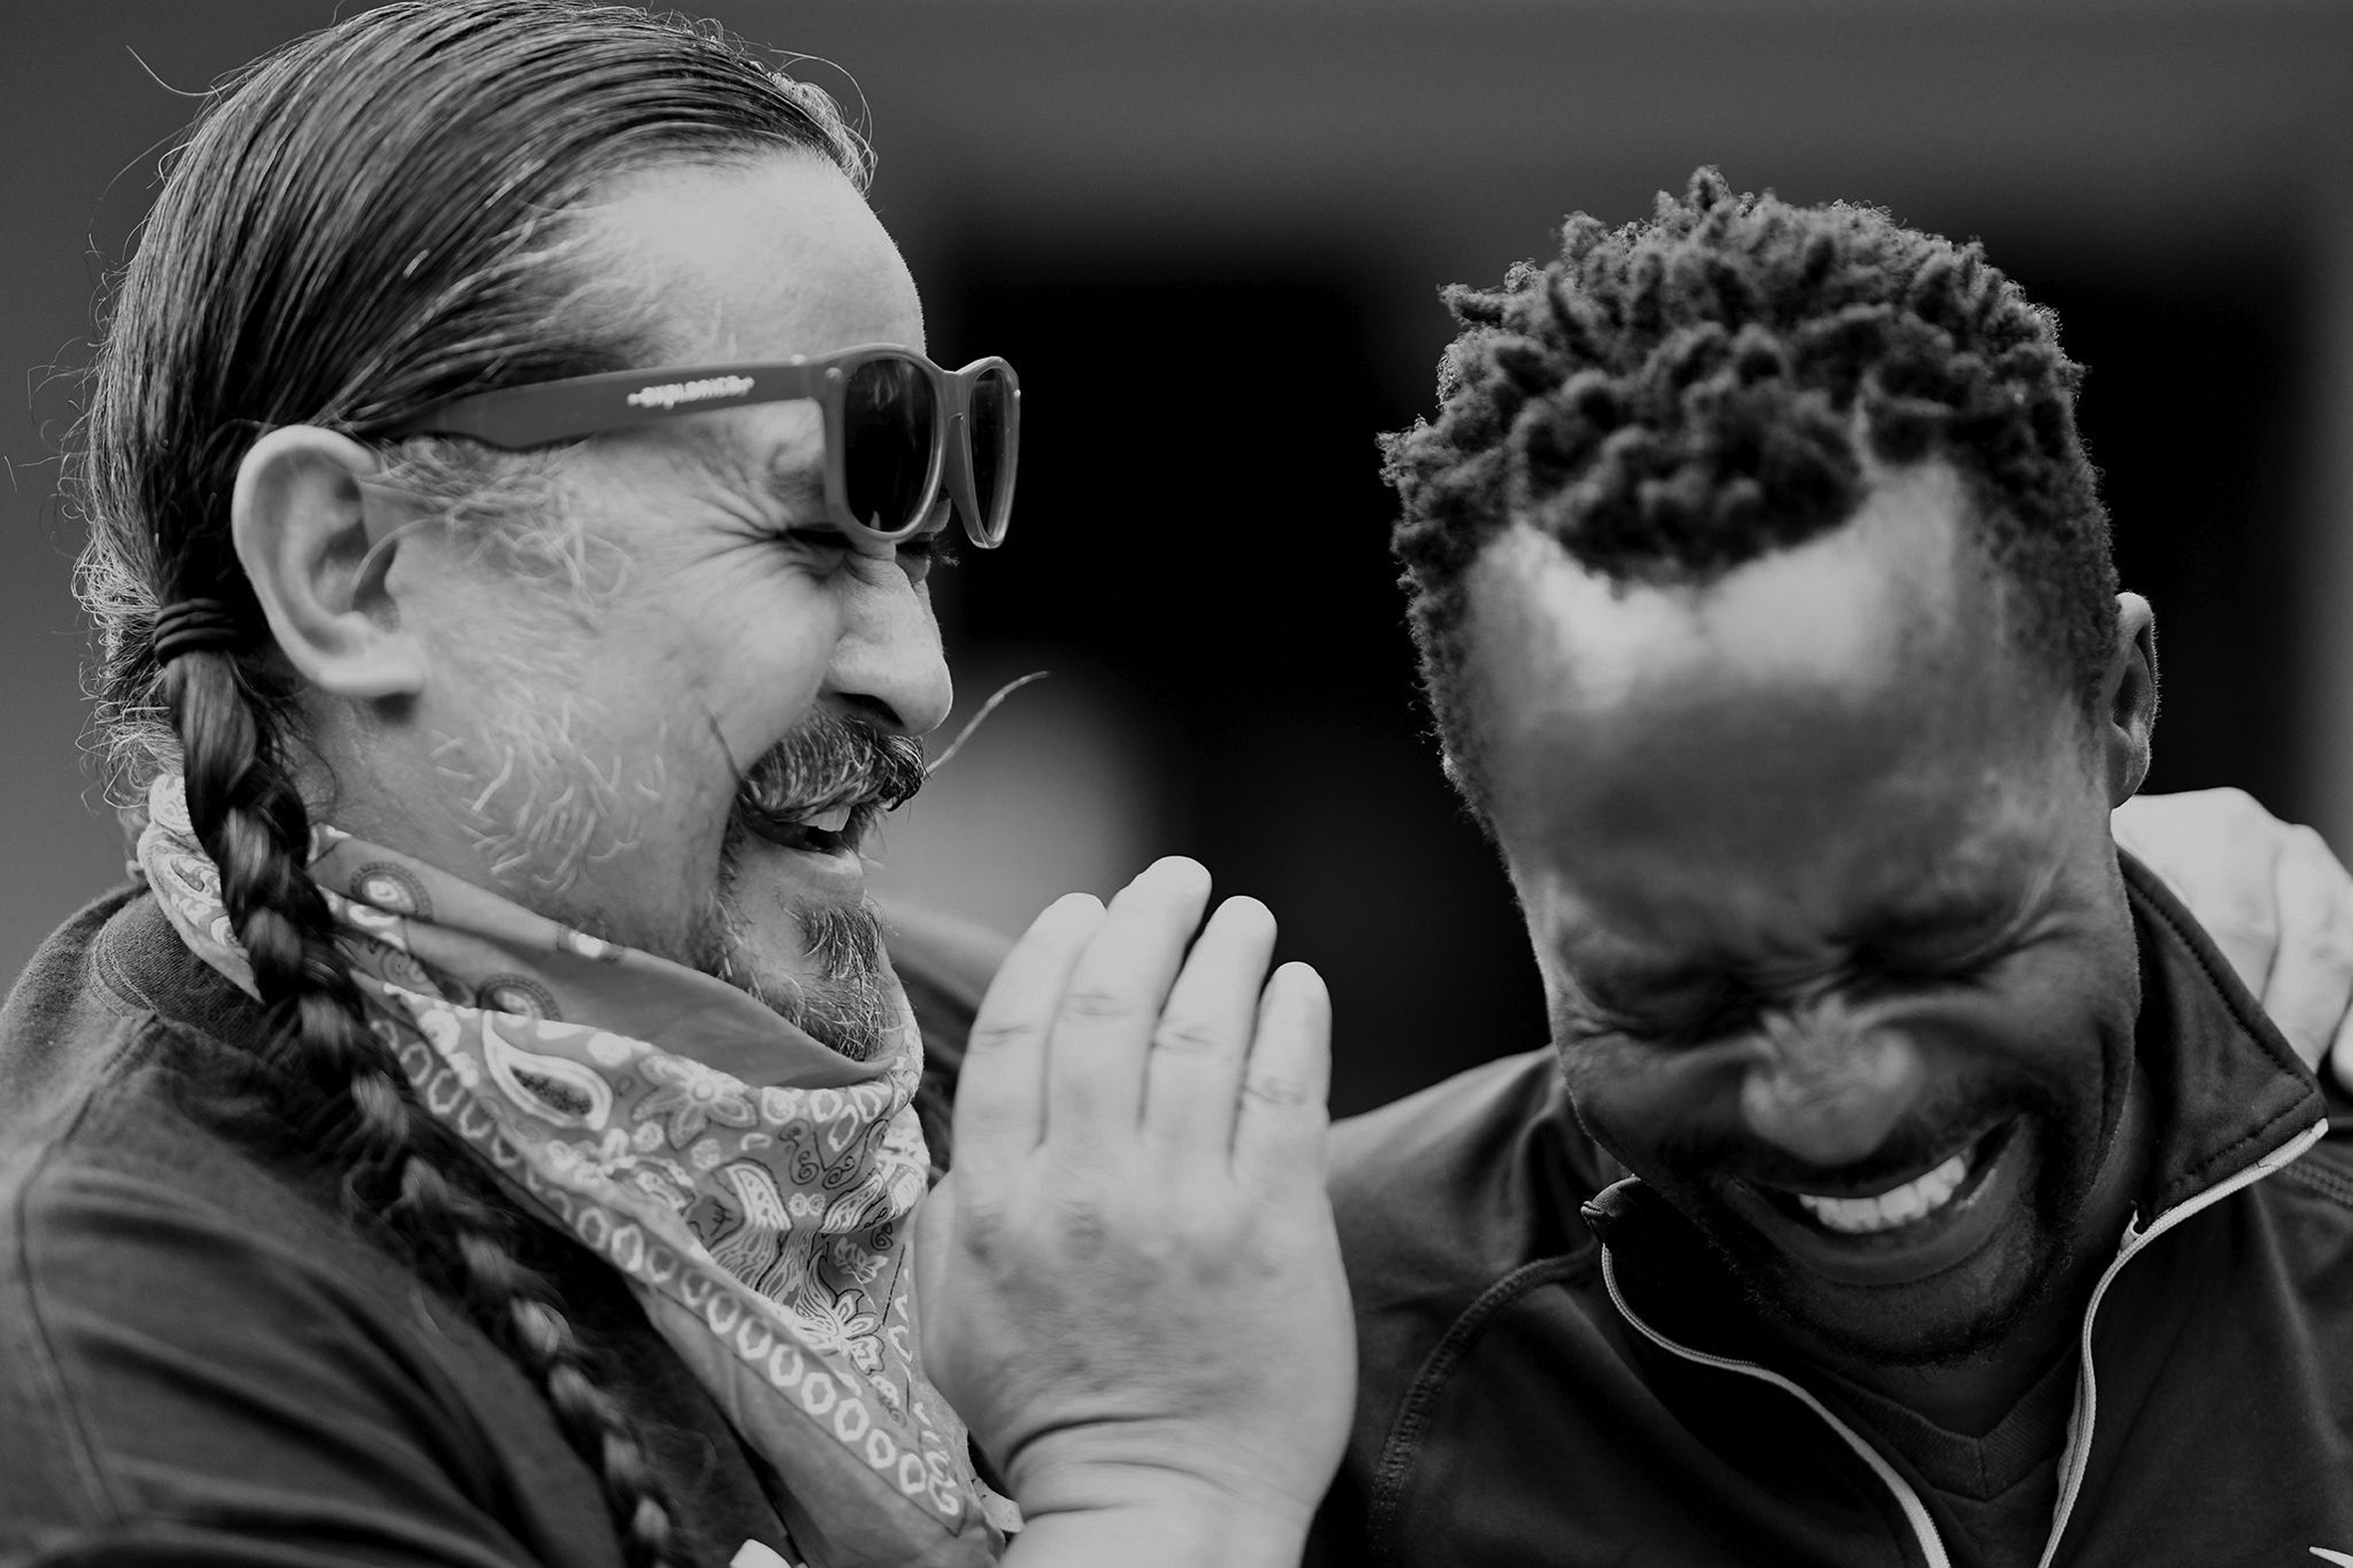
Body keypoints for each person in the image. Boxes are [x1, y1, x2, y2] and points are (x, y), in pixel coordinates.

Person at [0, 6, 1350, 1565]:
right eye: (802, 533)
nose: (919, 673)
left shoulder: (976, 1069)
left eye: (913, 551)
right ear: (349, 567)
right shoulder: (120, 1365)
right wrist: (1152, 1484)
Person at [1315, 170, 2353, 1567]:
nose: (1832, 1103)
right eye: (1678, 989)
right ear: (1496, 833)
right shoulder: (1318, 1360)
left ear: (2119, 704)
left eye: (1938, 934)